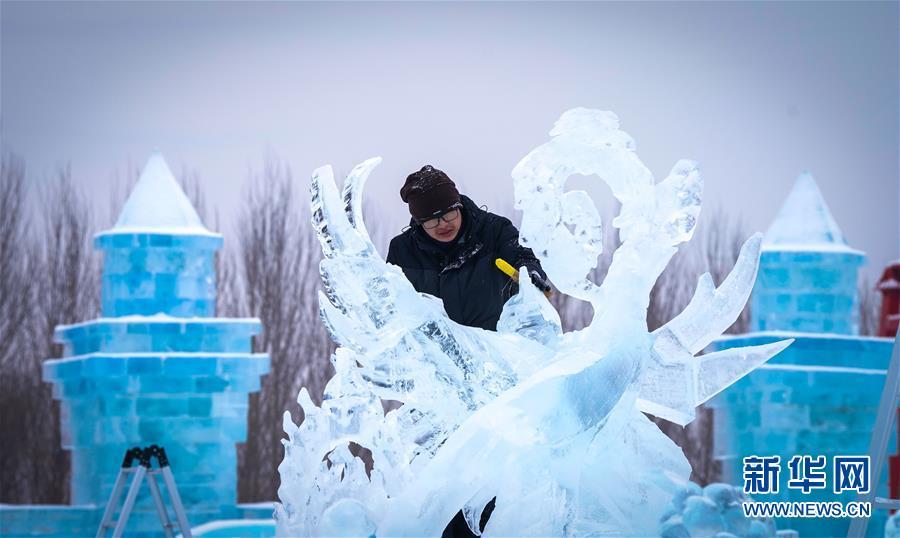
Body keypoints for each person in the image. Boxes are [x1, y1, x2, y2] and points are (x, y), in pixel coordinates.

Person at [385, 165, 550, 537]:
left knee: (494, 472)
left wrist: (530, 275)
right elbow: (390, 307)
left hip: (496, 372)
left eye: (449, 212)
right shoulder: (402, 251)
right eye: (431, 220)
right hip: (439, 378)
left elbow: (523, 257)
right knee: (445, 477)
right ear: (417, 224)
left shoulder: (494, 231)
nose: (443, 223)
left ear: (459, 204)